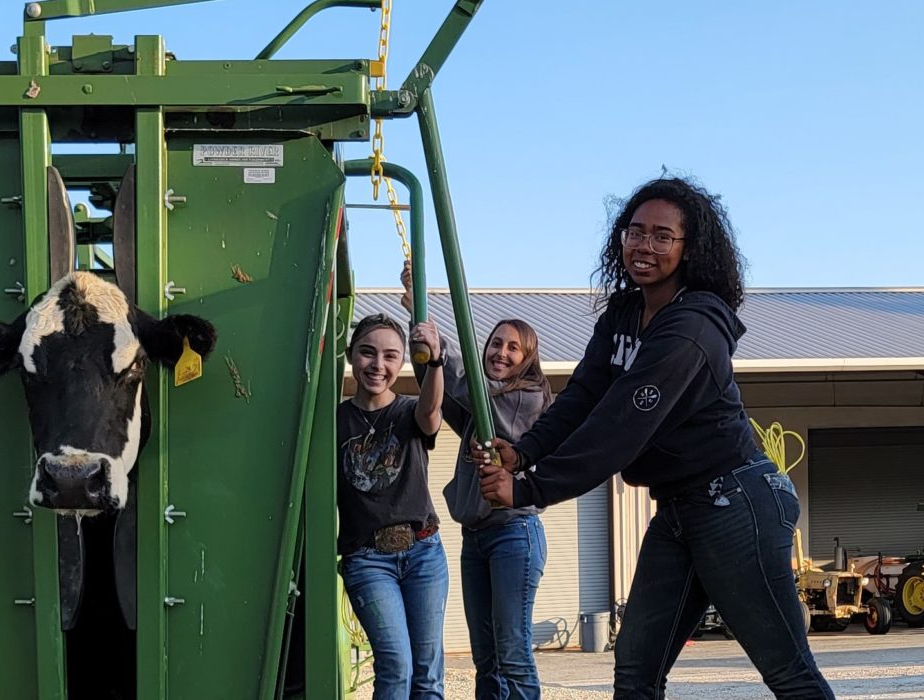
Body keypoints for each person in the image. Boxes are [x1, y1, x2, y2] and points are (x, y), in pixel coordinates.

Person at [474, 177, 834, 699]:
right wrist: (524, 449)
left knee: (788, 673)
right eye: (634, 232)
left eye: (663, 236)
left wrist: (531, 489)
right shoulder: (623, 313)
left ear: (690, 249)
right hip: (680, 509)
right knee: (635, 672)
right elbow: (583, 395)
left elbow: (621, 423)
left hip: (737, 504)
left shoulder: (693, 326)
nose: (644, 246)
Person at [401, 261, 552, 700]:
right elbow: (446, 386)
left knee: (512, 651)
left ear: (528, 360)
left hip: (514, 532)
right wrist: (417, 309)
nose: (501, 353)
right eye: (495, 344)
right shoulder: (481, 403)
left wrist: (440, 341)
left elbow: (469, 384)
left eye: (513, 349)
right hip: (476, 536)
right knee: (486, 657)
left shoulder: (527, 397)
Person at [337, 312, 448, 699]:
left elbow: (432, 410)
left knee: (428, 672)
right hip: (368, 558)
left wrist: (434, 360)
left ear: (402, 362)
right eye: (368, 353)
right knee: (396, 665)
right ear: (350, 354)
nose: (378, 365)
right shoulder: (333, 422)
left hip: (423, 553)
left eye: (390, 356)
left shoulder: (408, 411)